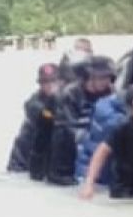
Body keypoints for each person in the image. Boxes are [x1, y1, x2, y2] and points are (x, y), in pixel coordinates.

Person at [46, 55, 116, 185]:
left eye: (108, 77)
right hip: (67, 151)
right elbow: (69, 127)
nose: (105, 82)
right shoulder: (70, 94)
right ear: (90, 77)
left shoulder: (111, 92)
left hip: (96, 144)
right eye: (101, 77)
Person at [6, 63, 61, 179]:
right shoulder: (35, 105)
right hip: (26, 166)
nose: (50, 85)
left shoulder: (67, 99)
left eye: (53, 81)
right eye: (45, 82)